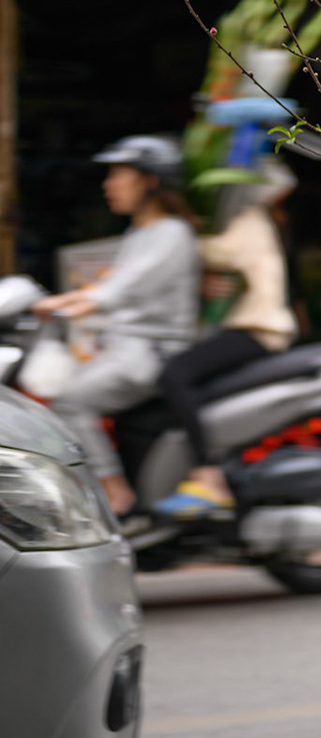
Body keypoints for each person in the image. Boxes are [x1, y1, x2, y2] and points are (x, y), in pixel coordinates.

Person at [34, 136, 200, 516]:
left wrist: (65, 304)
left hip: (150, 354)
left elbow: (121, 289)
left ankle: (114, 491)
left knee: (71, 400)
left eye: (119, 175)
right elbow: (107, 284)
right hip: (126, 349)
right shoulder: (140, 233)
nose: (109, 184)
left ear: (151, 181)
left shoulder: (172, 233)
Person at [153, 163, 301, 519]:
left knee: (176, 375)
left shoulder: (250, 219)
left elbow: (219, 253)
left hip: (258, 329)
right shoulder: (248, 220)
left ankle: (208, 476)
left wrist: (176, 228)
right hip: (248, 327)